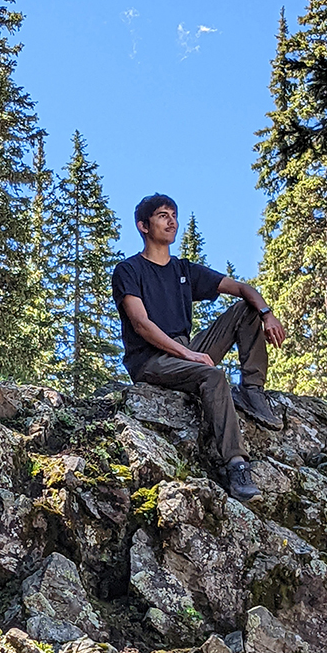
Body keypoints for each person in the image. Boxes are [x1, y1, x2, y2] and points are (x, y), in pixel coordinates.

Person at [112, 193, 286, 503]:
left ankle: (253, 391)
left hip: (185, 351)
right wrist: (189, 354)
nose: (172, 221)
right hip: (151, 360)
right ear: (143, 226)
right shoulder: (129, 270)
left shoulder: (183, 270)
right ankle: (237, 466)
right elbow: (141, 324)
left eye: (174, 215)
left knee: (245, 309)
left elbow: (242, 288)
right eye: (163, 215)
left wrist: (266, 313)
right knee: (213, 375)